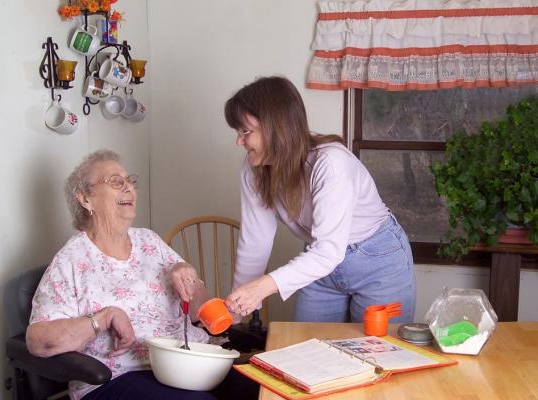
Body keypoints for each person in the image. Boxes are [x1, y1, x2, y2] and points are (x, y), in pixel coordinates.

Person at [26, 150, 258, 400]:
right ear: (85, 198)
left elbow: (197, 309)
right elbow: (39, 341)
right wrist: (103, 319)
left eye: (130, 181)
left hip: (189, 364)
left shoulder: (149, 241)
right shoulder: (71, 260)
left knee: (260, 390)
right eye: (116, 181)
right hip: (118, 378)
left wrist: (189, 279)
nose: (128, 188)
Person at [223, 76, 416, 323]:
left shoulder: (331, 163)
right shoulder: (254, 169)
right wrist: (234, 314)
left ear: (275, 126)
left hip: (377, 260)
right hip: (320, 263)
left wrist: (263, 287)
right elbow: (255, 243)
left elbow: (328, 251)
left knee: (379, 354)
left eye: (245, 131)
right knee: (308, 353)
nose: (239, 141)